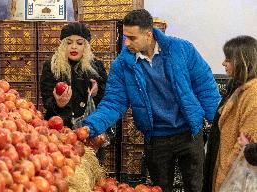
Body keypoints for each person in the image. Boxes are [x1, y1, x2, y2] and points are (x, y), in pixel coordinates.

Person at [83, 9, 221, 192]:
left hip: (189, 133)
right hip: (156, 138)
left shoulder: (182, 49)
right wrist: (90, 126)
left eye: (132, 38)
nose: (127, 43)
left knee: (196, 186)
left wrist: (220, 125)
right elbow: (113, 102)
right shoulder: (122, 65)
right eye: (125, 37)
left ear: (148, 35)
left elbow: (205, 87)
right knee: (159, 188)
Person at [203, 35, 257, 192]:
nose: (223, 63)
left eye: (228, 59)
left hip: (237, 177)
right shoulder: (239, 89)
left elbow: (245, 142)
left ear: (242, 61)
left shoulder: (253, 93)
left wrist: (225, 173)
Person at [40, 22, 107, 129]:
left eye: (80, 43)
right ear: (62, 45)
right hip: (59, 127)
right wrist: (58, 104)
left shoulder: (96, 67)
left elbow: (106, 97)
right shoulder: (51, 66)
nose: (74, 47)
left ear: (86, 46)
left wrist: (96, 92)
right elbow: (46, 97)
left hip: (88, 127)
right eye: (69, 43)